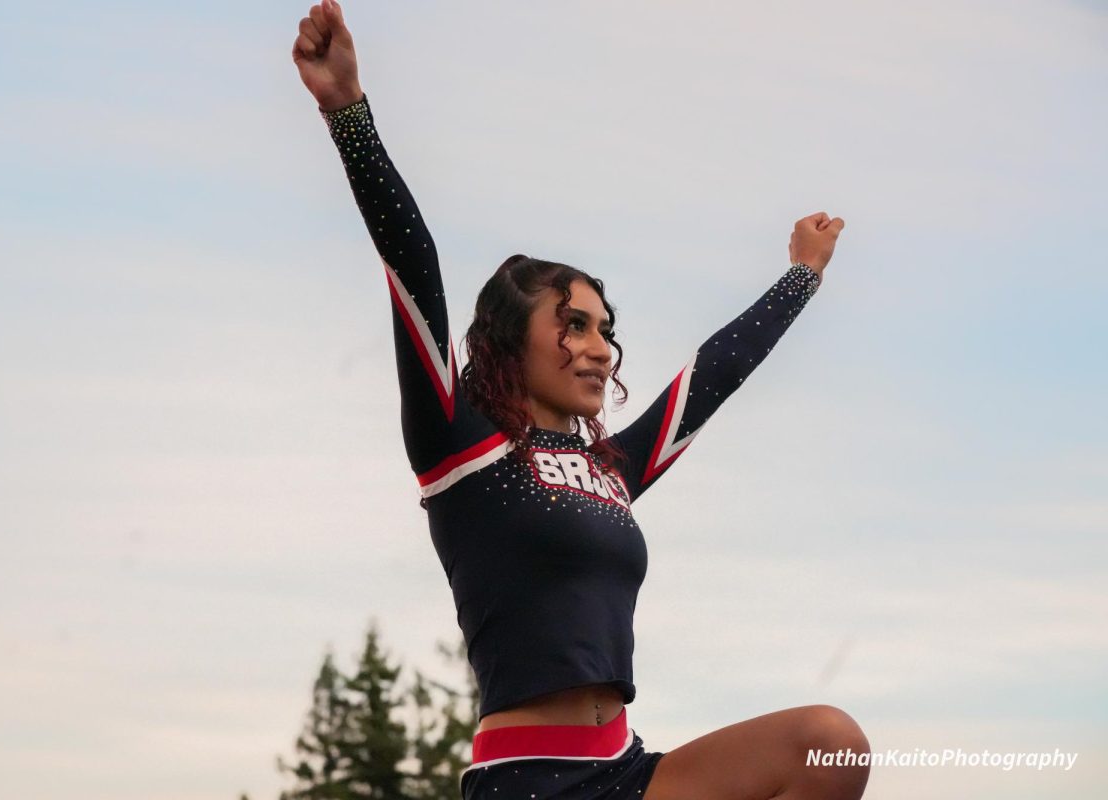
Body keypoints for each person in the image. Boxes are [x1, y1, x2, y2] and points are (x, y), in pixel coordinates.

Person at [292, 2, 870, 798]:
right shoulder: (462, 446)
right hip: (525, 781)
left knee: (827, 745)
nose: (600, 347)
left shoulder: (609, 467)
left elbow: (712, 377)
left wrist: (802, 275)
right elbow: (412, 261)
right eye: (573, 326)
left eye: (604, 329)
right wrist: (347, 113)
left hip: (625, 769)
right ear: (507, 339)